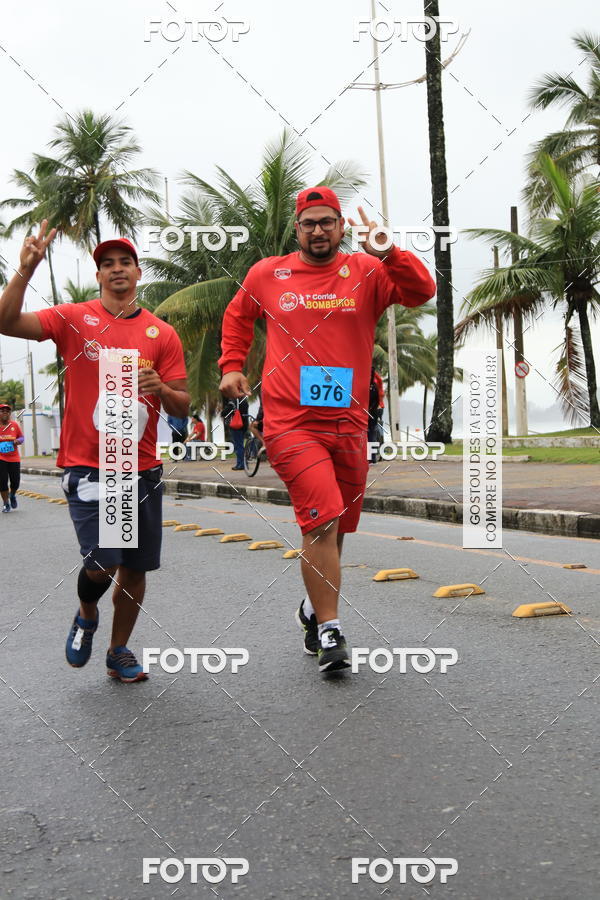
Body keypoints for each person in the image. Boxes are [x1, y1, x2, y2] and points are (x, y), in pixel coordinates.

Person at [219, 187, 436, 673]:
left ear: (341, 227)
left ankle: (313, 609)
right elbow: (237, 316)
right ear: (296, 229)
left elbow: (423, 291)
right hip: (290, 422)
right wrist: (232, 364)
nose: (318, 230)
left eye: (327, 222)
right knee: (319, 519)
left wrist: (390, 252)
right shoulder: (267, 274)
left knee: (335, 524)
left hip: (349, 422)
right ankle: (331, 629)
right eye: (308, 223)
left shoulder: (368, 272)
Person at [0, 224, 190, 682]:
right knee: (105, 558)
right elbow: (6, 322)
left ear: (138, 272)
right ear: (99, 275)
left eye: (125, 262)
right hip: (89, 465)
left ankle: (118, 650)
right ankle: (87, 611)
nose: (117, 269)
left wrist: (161, 387)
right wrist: (25, 270)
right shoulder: (73, 318)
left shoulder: (160, 333)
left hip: (141, 466)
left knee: (136, 566)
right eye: (108, 264)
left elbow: (184, 402)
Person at [0, 403, 24, 512]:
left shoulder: (14, 425)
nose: (5, 412)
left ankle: (12, 495)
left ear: (10, 413)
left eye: (7, 411)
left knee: (15, 481)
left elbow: (22, 438)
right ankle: (6, 503)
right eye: (2, 411)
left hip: (14, 458)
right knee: (2, 481)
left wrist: (17, 441)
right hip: (1, 458)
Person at [221, 394, 248, 470]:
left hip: (236, 425)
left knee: (238, 446)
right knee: (241, 444)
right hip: (244, 424)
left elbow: (224, 413)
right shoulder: (244, 400)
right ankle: (244, 463)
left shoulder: (233, 401)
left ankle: (240, 464)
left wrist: (223, 411)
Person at [367, 367, 385, 464]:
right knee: (376, 431)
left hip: (375, 409)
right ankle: (376, 454)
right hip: (378, 409)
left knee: (372, 432)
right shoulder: (378, 384)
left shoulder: (373, 384)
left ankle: (373, 456)